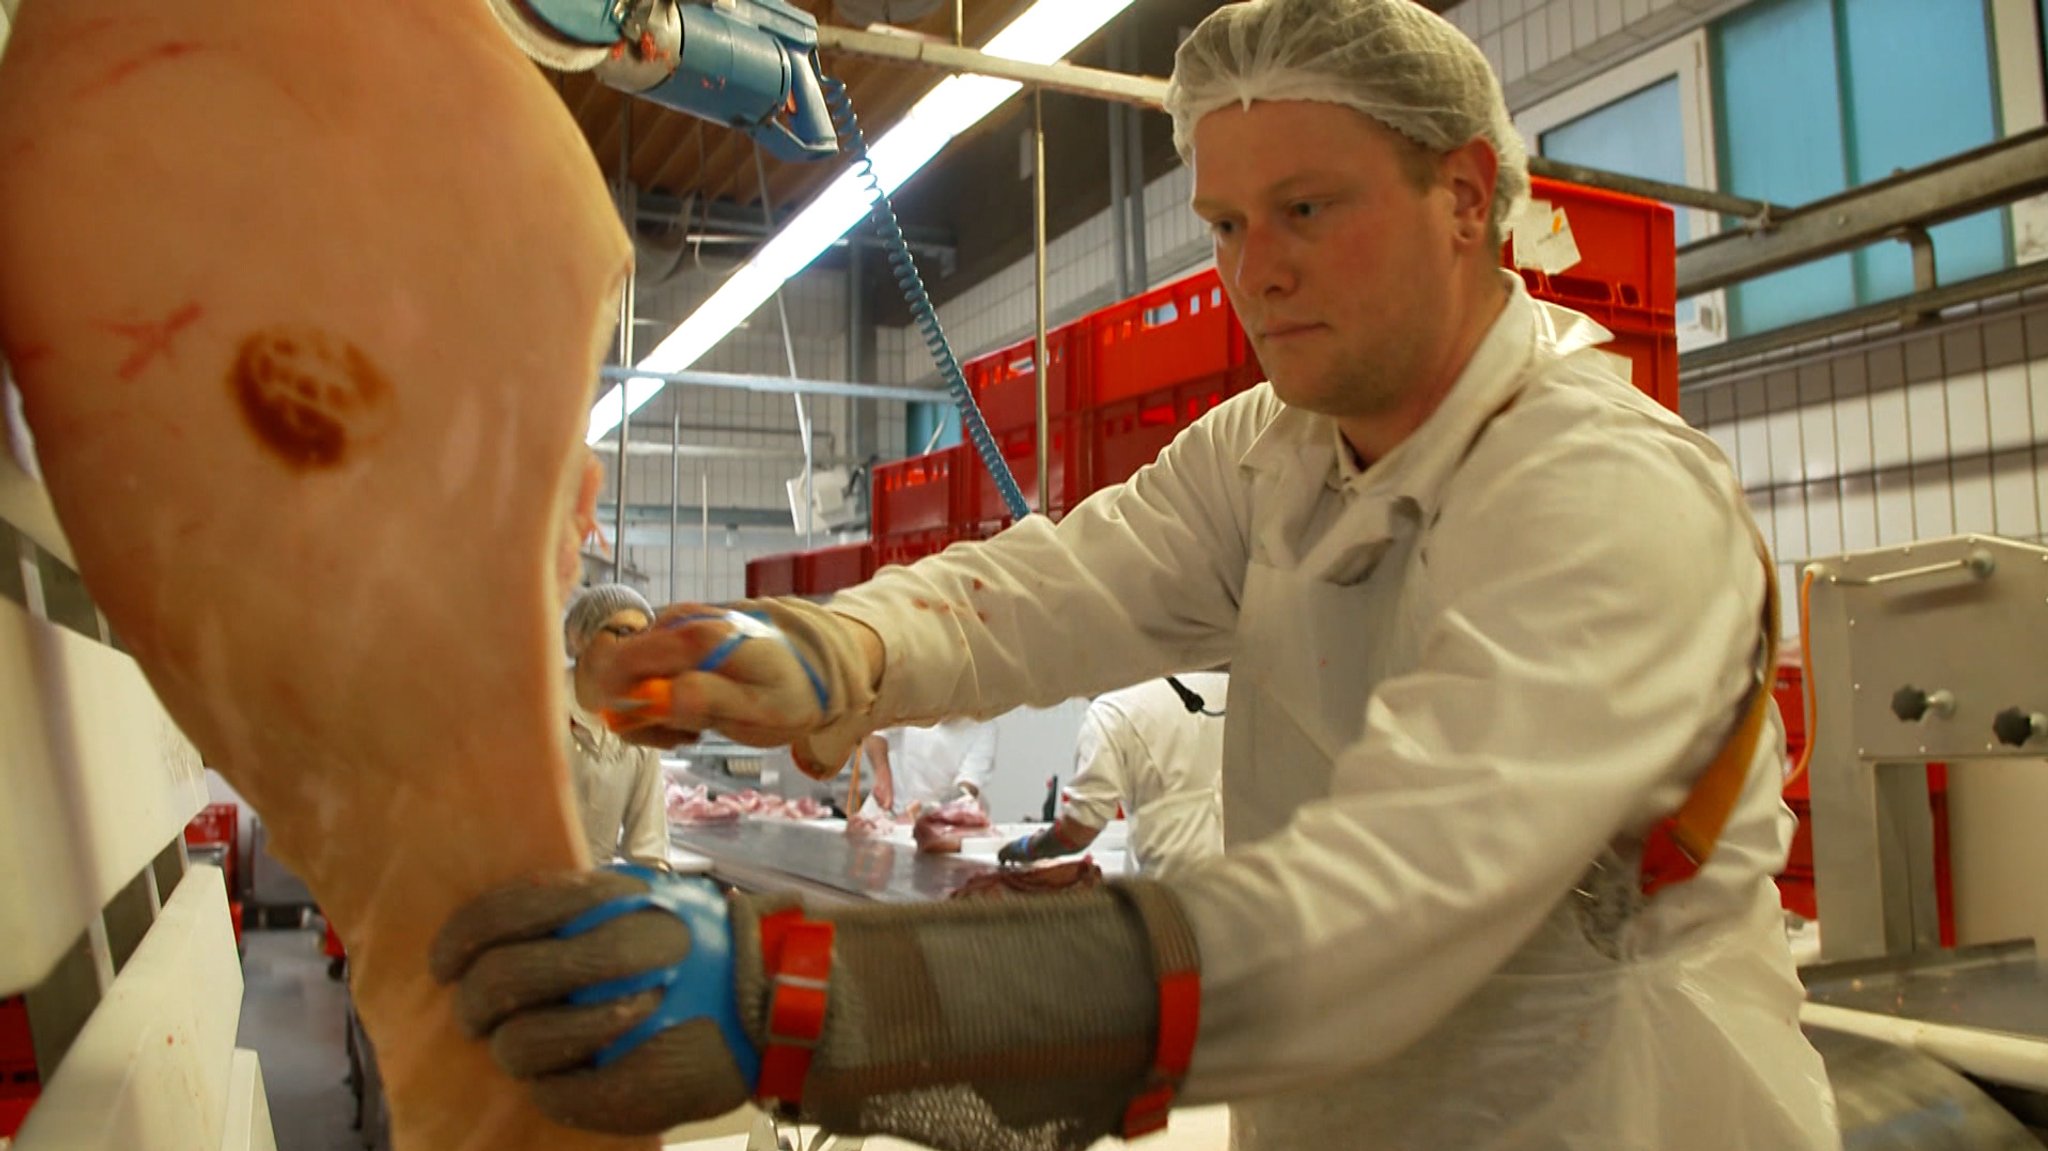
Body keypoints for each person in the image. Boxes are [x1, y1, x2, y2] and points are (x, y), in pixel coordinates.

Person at [432, 2, 1839, 1148]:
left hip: (1608, 1107)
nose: (1256, 271)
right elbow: (1065, 580)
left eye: (1305, 208)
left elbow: (1385, 911)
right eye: (1227, 226)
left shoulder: (1598, 490)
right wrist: (830, 647)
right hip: (1337, 1111)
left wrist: (799, 1000)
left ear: (1465, 194)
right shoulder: (1275, 453)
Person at [999, 674, 1227, 879]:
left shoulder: (1110, 710)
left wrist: (1027, 848)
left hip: (1173, 885)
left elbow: (1080, 828)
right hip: (1247, 880)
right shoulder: (1221, 683)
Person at [561, 584, 670, 870]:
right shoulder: (538, 709)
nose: (636, 648)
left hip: (591, 899)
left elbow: (648, 849)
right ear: (580, 637)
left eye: (644, 637)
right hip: (520, 897)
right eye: (623, 633)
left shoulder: (639, 726)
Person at [864, 716, 998, 812]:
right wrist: (882, 774)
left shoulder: (984, 726)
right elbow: (876, 732)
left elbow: (968, 785)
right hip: (884, 811)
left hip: (939, 819)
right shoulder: (914, 699)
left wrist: (929, 811)